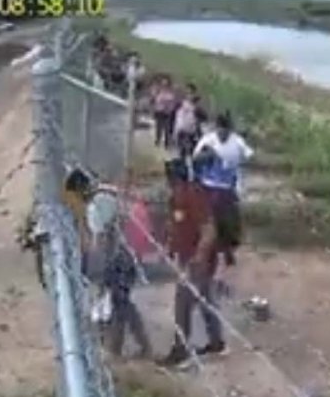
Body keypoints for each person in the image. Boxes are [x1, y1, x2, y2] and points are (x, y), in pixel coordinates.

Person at [163, 156, 225, 365]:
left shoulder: (193, 196)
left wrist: (199, 257)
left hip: (198, 260)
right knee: (205, 299)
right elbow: (176, 226)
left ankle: (180, 348)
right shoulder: (176, 198)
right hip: (188, 258)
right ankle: (216, 341)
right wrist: (171, 248)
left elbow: (209, 230)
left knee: (183, 303)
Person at [195, 112, 253, 267]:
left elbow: (249, 157)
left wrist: (236, 168)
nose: (222, 133)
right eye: (220, 130)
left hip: (226, 188)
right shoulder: (208, 140)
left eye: (225, 131)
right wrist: (208, 155)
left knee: (231, 224)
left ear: (230, 130)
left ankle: (228, 250)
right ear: (216, 128)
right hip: (207, 186)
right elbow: (196, 159)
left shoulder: (237, 142)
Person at [101, 235, 153, 358]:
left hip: (123, 252)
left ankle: (121, 346)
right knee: (121, 307)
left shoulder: (120, 249)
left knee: (122, 304)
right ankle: (119, 346)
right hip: (122, 251)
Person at [172, 83, 207, 160]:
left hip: (192, 132)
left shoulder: (197, 107)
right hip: (181, 131)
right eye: (187, 93)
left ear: (194, 94)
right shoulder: (180, 103)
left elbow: (204, 118)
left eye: (191, 93)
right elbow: (173, 115)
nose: (189, 95)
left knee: (191, 152)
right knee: (182, 152)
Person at [152, 77, 177, 150]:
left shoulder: (170, 93)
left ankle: (167, 144)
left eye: (165, 84)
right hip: (159, 112)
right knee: (158, 128)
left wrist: (169, 109)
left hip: (166, 113)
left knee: (167, 129)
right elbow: (155, 101)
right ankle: (157, 141)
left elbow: (172, 103)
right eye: (163, 83)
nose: (164, 85)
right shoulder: (158, 92)